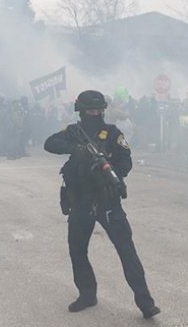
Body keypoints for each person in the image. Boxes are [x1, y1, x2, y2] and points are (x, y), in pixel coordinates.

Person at [44, 90, 160, 319]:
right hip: (80, 202)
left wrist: (108, 172)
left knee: (126, 251)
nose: (94, 114)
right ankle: (87, 294)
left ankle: (145, 302)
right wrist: (74, 150)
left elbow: (126, 162)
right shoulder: (73, 133)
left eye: (98, 110)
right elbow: (49, 143)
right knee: (77, 250)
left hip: (107, 200)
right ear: (81, 111)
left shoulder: (114, 134)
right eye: (90, 110)